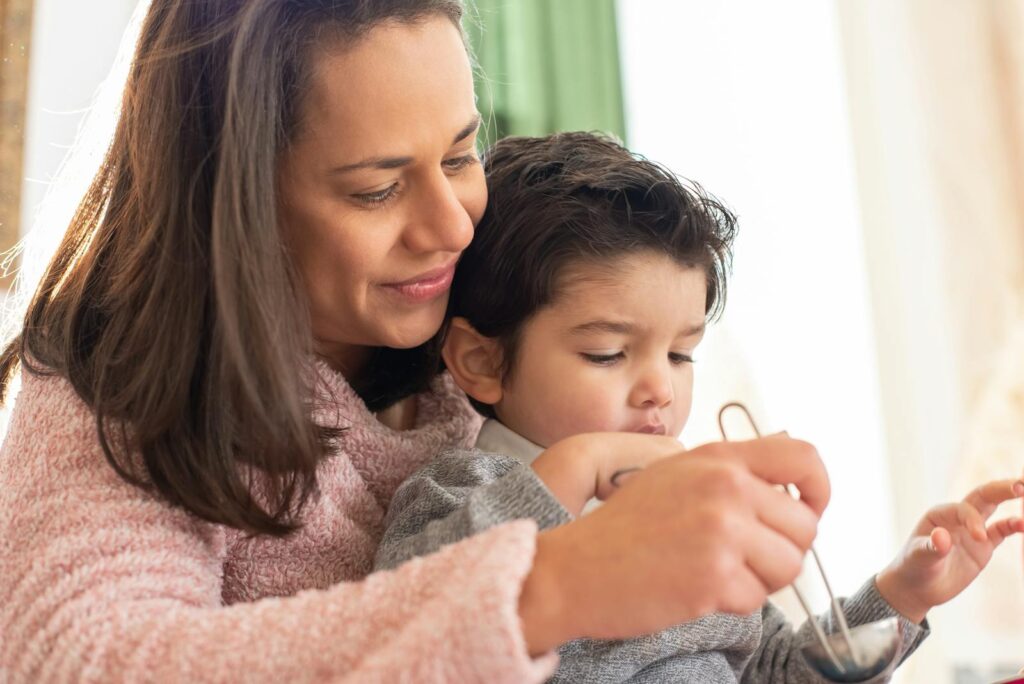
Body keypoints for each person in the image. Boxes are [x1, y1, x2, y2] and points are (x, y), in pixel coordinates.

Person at [0, 2, 835, 682]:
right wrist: (551, 585)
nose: (450, 225)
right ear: (235, 199)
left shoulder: (492, 307)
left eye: (462, 154)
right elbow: (83, 662)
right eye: (377, 189)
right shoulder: (114, 380)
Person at [375, 132, 1024, 682]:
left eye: (682, 355)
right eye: (607, 353)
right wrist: (580, 463)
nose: (661, 387)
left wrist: (900, 594)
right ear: (484, 362)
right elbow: (417, 631)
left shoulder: (698, 516)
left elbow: (775, 670)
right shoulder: (457, 495)